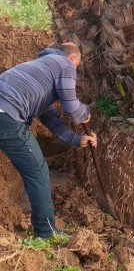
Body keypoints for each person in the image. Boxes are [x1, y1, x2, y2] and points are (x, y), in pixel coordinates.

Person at [0, 42, 97, 238]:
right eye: (76, 68)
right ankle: (47, 232)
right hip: (7, 115)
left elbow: (52, 120)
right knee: (38, 171)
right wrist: (85, 112)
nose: (73, 74)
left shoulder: (40, 73)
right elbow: (71, 106)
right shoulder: (65, 63)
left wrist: (78, 139)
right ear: (72, 58)